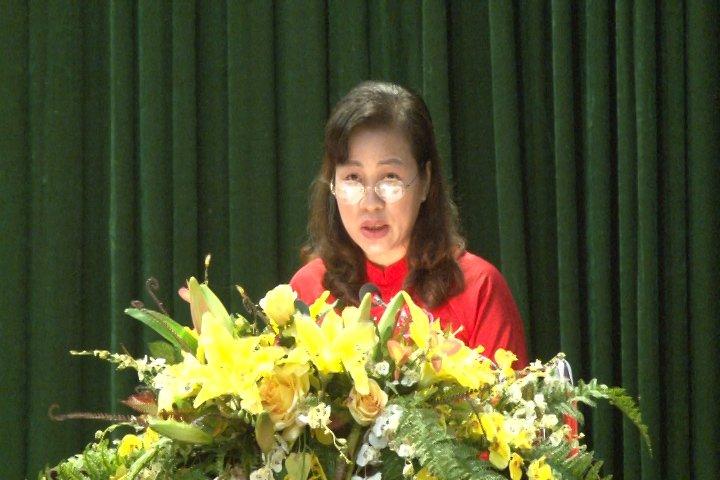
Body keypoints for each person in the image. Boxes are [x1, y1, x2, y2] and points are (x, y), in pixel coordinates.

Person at [290, 81, 528, 367]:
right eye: (352, 178)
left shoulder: (479, 288)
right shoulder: (308, 290)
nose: (370, 203)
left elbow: (512, 395)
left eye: (390, 178)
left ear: (426, 181)